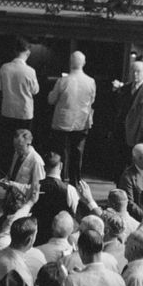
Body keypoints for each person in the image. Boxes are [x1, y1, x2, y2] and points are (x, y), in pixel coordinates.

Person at [47, 51, 97, 186]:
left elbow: (51, 100)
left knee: (61, 153)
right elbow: (92, 100)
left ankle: (60, 180)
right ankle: (75, 182)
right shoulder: (91, 81)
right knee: (77, 154)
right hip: (81, 122)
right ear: (84, 63)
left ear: (70, 62)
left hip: (62, 122)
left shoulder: (63, 81)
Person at [0, 38, 39, 155]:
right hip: (24, 112)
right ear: (28, 53)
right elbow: (35, 90)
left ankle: (6, 169)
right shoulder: (30, 71)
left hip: (8, 110)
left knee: (7, 142)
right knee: (24, 144)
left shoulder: (4, 67)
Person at [114, 61, 143, 166]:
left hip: (139, 136)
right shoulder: (124, 89)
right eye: (133, 71)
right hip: (122, 135)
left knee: (135, 168)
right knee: (120, 167)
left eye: (138, 72)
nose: (135, 74)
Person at [30, 152, 79, 245]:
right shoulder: (70, 190)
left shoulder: (35, 187)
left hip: (38, 239)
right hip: (61, 240)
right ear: (61, 165)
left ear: (44, 168)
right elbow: (73, 212)